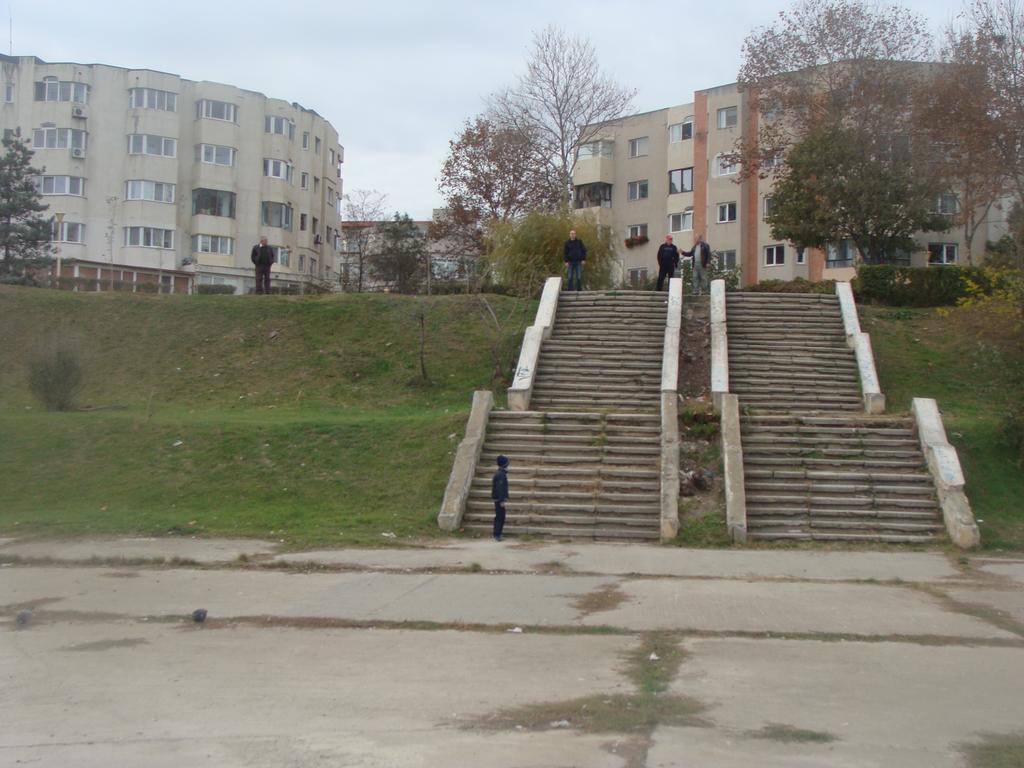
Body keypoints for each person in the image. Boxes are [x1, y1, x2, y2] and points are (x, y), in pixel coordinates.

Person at [491, 454, 510, 541]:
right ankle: (497, 534)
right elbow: (500, 488)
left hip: (498, 498)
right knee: (500, 517)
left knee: (500, 516)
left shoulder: (501, 473)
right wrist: (502, 500)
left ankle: (498, 533)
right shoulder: (501, 474)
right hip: (499, 499)